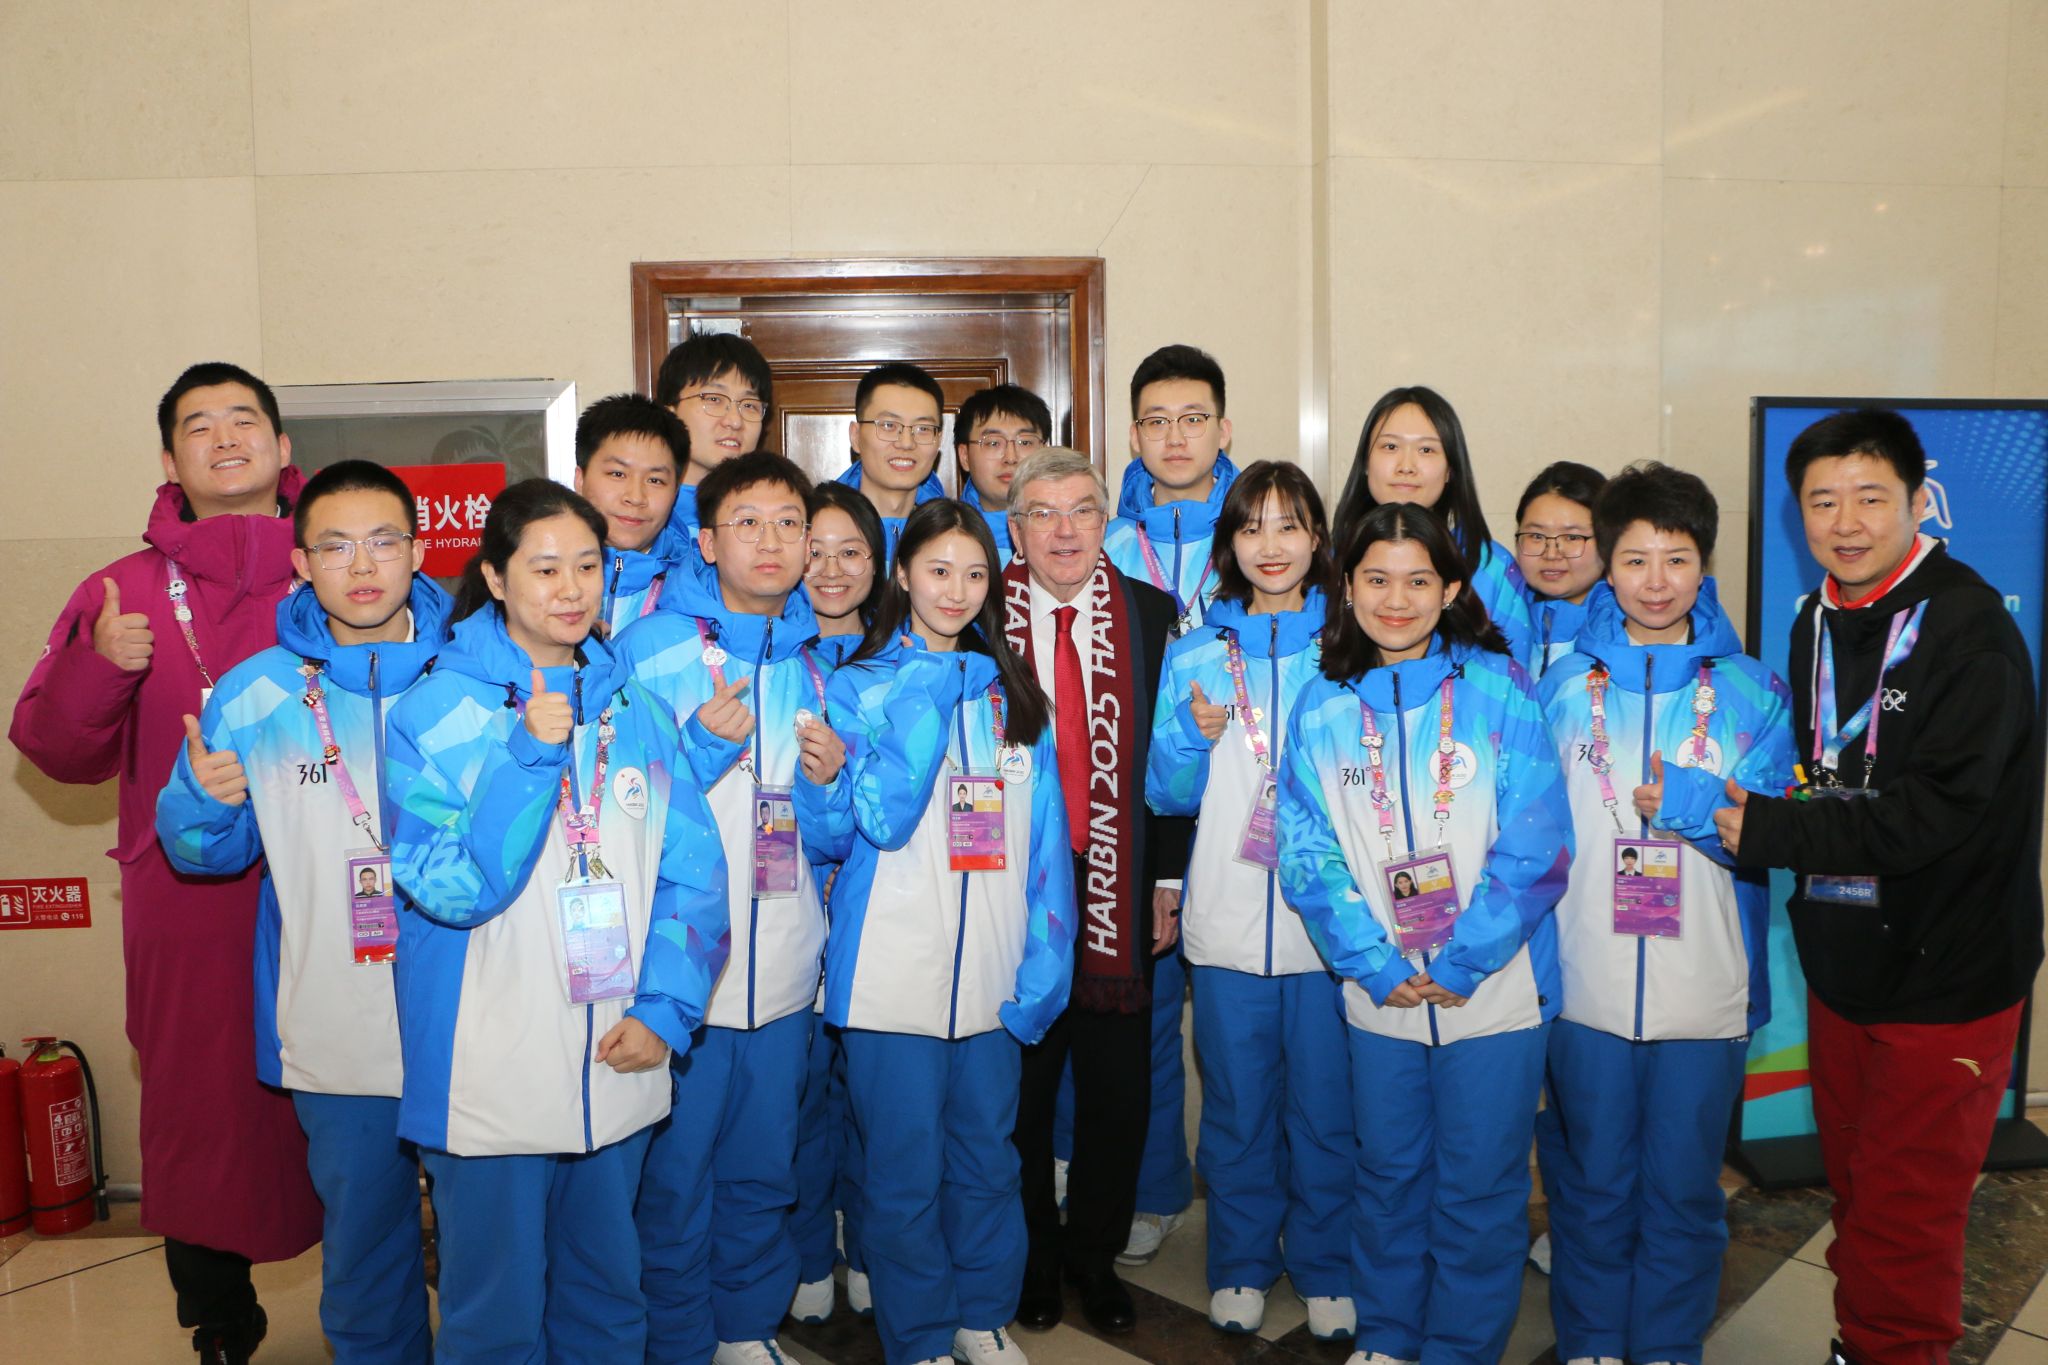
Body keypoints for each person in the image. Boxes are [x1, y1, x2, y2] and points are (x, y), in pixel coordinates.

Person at [1712, 409, 2044, 1365]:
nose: (1846, 522)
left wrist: (1773, 829)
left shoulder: (1972, 630)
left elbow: (1936, 812)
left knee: (1908, 1213)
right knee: (1861, 1188)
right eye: (1823, 501)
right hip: (1848, 959)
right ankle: (1864, 1343)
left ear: (1918, 500)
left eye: (1870, 497)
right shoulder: (1815, 618)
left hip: (1948, 976)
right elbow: (1828, 770)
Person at [10, 362, 323, 1364]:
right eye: (199, 424)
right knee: (201, 1107)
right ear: (168, 459)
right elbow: (52, 751)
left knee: (355, 1091)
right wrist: (99, 663)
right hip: (189, 900)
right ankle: (219, 1318)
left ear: (283, 448)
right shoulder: (124, 591)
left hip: (338, 888)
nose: (224, 437)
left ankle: (382, 1298)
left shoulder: (341, 564)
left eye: (244, 419)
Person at [384, 479, 731, 1362]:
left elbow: (694, 875)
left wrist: (665, 1011)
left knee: (608, 1301)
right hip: (489, 1067)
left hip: (618, 1050)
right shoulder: (434, 711)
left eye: (586, 565)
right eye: (544, 569)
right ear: (495, 578)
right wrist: (529, 758)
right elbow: (449, 886)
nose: (570, 589)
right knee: (494, 1315)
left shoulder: (634, 708)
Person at [155, 460, 456, 1364]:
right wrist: (203, 802)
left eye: (383, 541)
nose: (361, 565)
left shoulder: (477, 677)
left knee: (489, 1248)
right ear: (301, 564)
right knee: (363, 1244)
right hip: (334, 1021)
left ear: (419, 551)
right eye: (335, 546)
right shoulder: (256, 692)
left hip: (475, 1019)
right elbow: (202, 853)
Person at [1277, 502, 1571, 1365]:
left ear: (1450, 590)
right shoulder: (1321, 705)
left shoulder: (1499, 689)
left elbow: (1539, 841)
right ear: (1347, 586)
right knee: (1388, 1174)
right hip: (1383, 993)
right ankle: (1390, 1337)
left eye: (1417, 580)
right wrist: (1372, 961)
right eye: (1376, 579)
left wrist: (1468, 956)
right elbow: (1307, 854)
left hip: (1495, 991)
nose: (1395, 600)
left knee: (1480, 1188)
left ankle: (1461, 1347)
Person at [1536, 461, 1796, 1365]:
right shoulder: (1559, 687)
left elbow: (1772, 832)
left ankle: (1669, 1344)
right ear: (1606, 566)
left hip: (1704, 991)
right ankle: (1591, 1340)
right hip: (1584, 986)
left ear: (1703, 565)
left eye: (1677, 559)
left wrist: (1690, 803)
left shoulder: (1756, 692)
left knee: (1684, 1189)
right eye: (1636, 559)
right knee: (1591, 1183)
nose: (1656, 581)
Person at [612, 450, 855, 1365]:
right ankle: (680, 1341)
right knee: (675, 1180)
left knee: (763, 1170)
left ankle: (745, 1329)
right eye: (746, 522)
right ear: (707, 541)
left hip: (785, 970)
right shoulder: (647, 649)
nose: (771, 541)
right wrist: (700, 750)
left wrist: (830, 788)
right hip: (684, 978)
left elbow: (830, 835)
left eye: (790, 523)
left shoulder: (818, 662)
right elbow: (613, 803)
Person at [823, 499, 1074, 1365]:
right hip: (889, 979)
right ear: (902, 575)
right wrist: (927, 686)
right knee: (902, 1178)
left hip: (995, 983)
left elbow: (1048, 848)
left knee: (988, 1163)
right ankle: (921, 1336)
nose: (957, 590)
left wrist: (1046, 967)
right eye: (938, 570)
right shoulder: (859, 687)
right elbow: (880, 817)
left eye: (974, 574)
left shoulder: (1014, 695)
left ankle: (981, 1315)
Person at [1143, 460, 1355, 1340]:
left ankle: (1327, 1262)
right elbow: (1164, 791)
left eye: (1289, 525)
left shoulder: (1349, 645)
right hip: (1228, 920)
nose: (1271, 545)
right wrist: (1188, 740)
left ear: (1317, 538)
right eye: (1251, 526)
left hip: (1331, 927)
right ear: (1229, 543)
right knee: (1235, 1106)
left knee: (1327, 1108)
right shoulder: (1195, 649)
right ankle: (1238, 1259)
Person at [1001, 447, 1188, 1337]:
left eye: (1082, 510)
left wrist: (1165, 876)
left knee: (1118, 1090)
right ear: (1016, 529)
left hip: (1120, 872)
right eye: (1043, 512)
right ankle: (1035, 1256)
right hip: (1015, 882)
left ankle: (1094, 1258)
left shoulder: (1151, 612)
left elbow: (1174, 760)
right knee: (1024, 1090)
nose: (1064, 529)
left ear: (1106, 522)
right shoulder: (981, 617)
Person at [1097, 342, 1240, 1265]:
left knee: (1235, 1038)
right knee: (1142, 1020)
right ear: (1134, 435)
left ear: (1225, 428)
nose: (1176, 436)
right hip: (1141, 816)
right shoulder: (1105, 545)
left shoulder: (1263, 532)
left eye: (1194, 419)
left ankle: (1249, 1212)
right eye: (1156, 420)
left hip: (1247, 817)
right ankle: (1149, 1189)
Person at [787, 478, 889, 1324]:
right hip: (785, 909)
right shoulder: (769, 658)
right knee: (801, 1097)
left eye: (850, 551)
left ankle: (871, 1245)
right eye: (812, 550)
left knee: (875, 1102)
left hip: (877, 912)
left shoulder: (901, 661)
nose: (829, 568)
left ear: (878, 563)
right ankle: (807, 1248)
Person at [1332, 385, 1535, 664]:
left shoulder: (1491, 566)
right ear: (1365, 462)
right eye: (1390, 447)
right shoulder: (1328, 561)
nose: (1406, 466)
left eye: (1426, 449)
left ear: (1450, 468)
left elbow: (1513, 679)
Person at [572, 392, 692, 635]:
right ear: (580, 479)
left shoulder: (700, 587)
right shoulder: (534, 578)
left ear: (676, 492)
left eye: (655, 480)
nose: (635, 497)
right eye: (618, 474)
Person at [657, 332, 776, 539]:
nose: (735, 421)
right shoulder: (641, 513)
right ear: (670, 413)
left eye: (749, 405)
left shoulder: (779, 512)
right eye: (713, 399)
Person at [838, 361, 949, 561]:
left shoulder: (954, 532)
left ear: (938, 441)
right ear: (856, 436)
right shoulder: (814, 531)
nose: (906, 443)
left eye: (923, 429)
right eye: (889, 425)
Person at [1514, 460, 1609, 678]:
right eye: (1536, 536)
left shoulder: (1628, 627)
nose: (1551, 553)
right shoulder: (1497, 619)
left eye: (1572, 537)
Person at [954, 383, 1051, 564]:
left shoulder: (1079, 531)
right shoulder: (940, 536)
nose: (1011, 458)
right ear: (965, 456)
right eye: (993, 443)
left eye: (1025, 442)